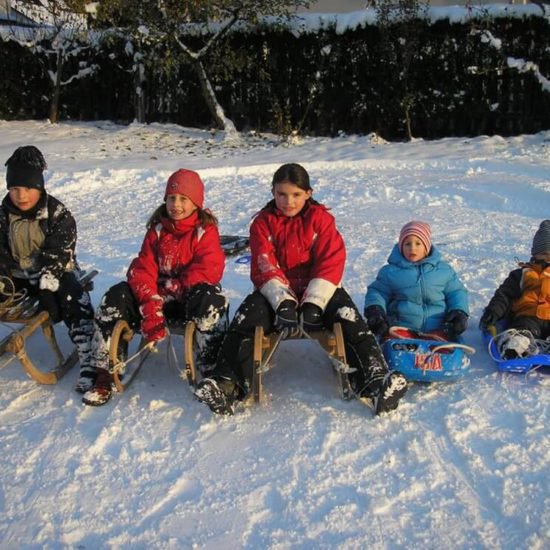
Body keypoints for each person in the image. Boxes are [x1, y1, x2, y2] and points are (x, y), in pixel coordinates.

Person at [194, 163, 407, 416]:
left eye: (296, 194)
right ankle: (226, 385)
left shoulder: (322, 221)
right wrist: (283, 302)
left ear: (308, 193)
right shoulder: (262, 223)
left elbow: (330, 262)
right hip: (274, 290)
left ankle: (375, 382)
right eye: (282, 194)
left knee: (349, 318)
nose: (288, 201)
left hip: (319, 287)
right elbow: (264, 264)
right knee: (246, 320)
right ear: (273, 192)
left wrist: (314, 303)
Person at [82, 169, 228, 406]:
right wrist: (150, 302)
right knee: (115, 296)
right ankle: (105, 372)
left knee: (213, 301)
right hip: (155, 296)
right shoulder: (157, 230)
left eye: (183, 199)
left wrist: (176, 287)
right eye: (171, 198)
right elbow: (143, 268)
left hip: (188, 296)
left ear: (196, 203)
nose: (176, 205)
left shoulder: (204, 231)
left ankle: (212, 371)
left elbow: (209, 268)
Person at [0, 145, 95, 390]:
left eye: (28, 188)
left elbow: (61, 250)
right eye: (15, 189)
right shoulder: (3, 216)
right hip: (17, 277)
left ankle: (88, 351)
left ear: (40, 186)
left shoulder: (56, 213)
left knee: (72, 295)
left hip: (56, 272)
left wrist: (46, 282)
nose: (21, 195)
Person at [364, 221, 469, 340]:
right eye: (407, 244)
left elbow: (456, 292)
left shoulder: (443, 271)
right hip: (402, 328)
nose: (412, 248)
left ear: (426, 248)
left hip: (438, 329)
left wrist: (459, 312)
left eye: (418, 243)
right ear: (401, 247)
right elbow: (378, 292)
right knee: (395, 353)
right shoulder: (391, 272)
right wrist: (375, 310)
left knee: (449, 353)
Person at [479, 219, 550, 359]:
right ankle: (516, 347)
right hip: (528, 316)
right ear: (535, 253)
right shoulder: (522, 274)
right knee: (521, 330)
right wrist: (493, 312)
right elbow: (504, 295)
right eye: (545, 254)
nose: (549, 259)